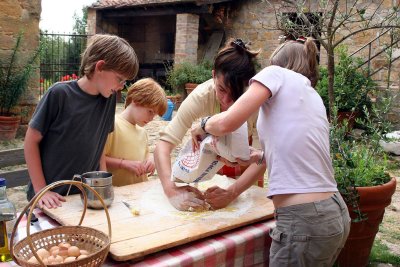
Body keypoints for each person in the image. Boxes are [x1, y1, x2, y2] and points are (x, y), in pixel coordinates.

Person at [191, 37, 351, 266]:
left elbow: (228, 123)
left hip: (303, 219)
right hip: (334, 213)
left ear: (278, 63)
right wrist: (259, 156)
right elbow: (301, 154)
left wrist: (203, 125)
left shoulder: (275, 73)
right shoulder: (312, 96)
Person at [24, 34, 139, 209]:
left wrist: (102, 183)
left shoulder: (108, 100)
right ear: (100, 67)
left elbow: (99, 143)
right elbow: (30, 141)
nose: (122, 86)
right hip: (49, 199)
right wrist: (41, 190)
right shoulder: (59, 94)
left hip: (82, 199)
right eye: (119, 79)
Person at [154, 38, 265, 212]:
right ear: (213, 75)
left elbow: (262, 160)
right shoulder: (201, 97)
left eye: (236, 93)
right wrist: (170, 189)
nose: (227, 101)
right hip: (215, 171)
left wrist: (232, 192)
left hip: (247, 174)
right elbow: (163, 146)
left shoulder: (257, 102)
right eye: (221, 89)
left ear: (248, 86)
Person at [104, 78, 167, 186]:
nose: (152, 118)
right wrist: (123, 164)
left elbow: (145, 156)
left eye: (155, 115)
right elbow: (98, 159)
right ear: (135, 100)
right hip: (118, 193)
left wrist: (151, 161)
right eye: (150, 112)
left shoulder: (143, 132)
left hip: (138, 192)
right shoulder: (112, 125)